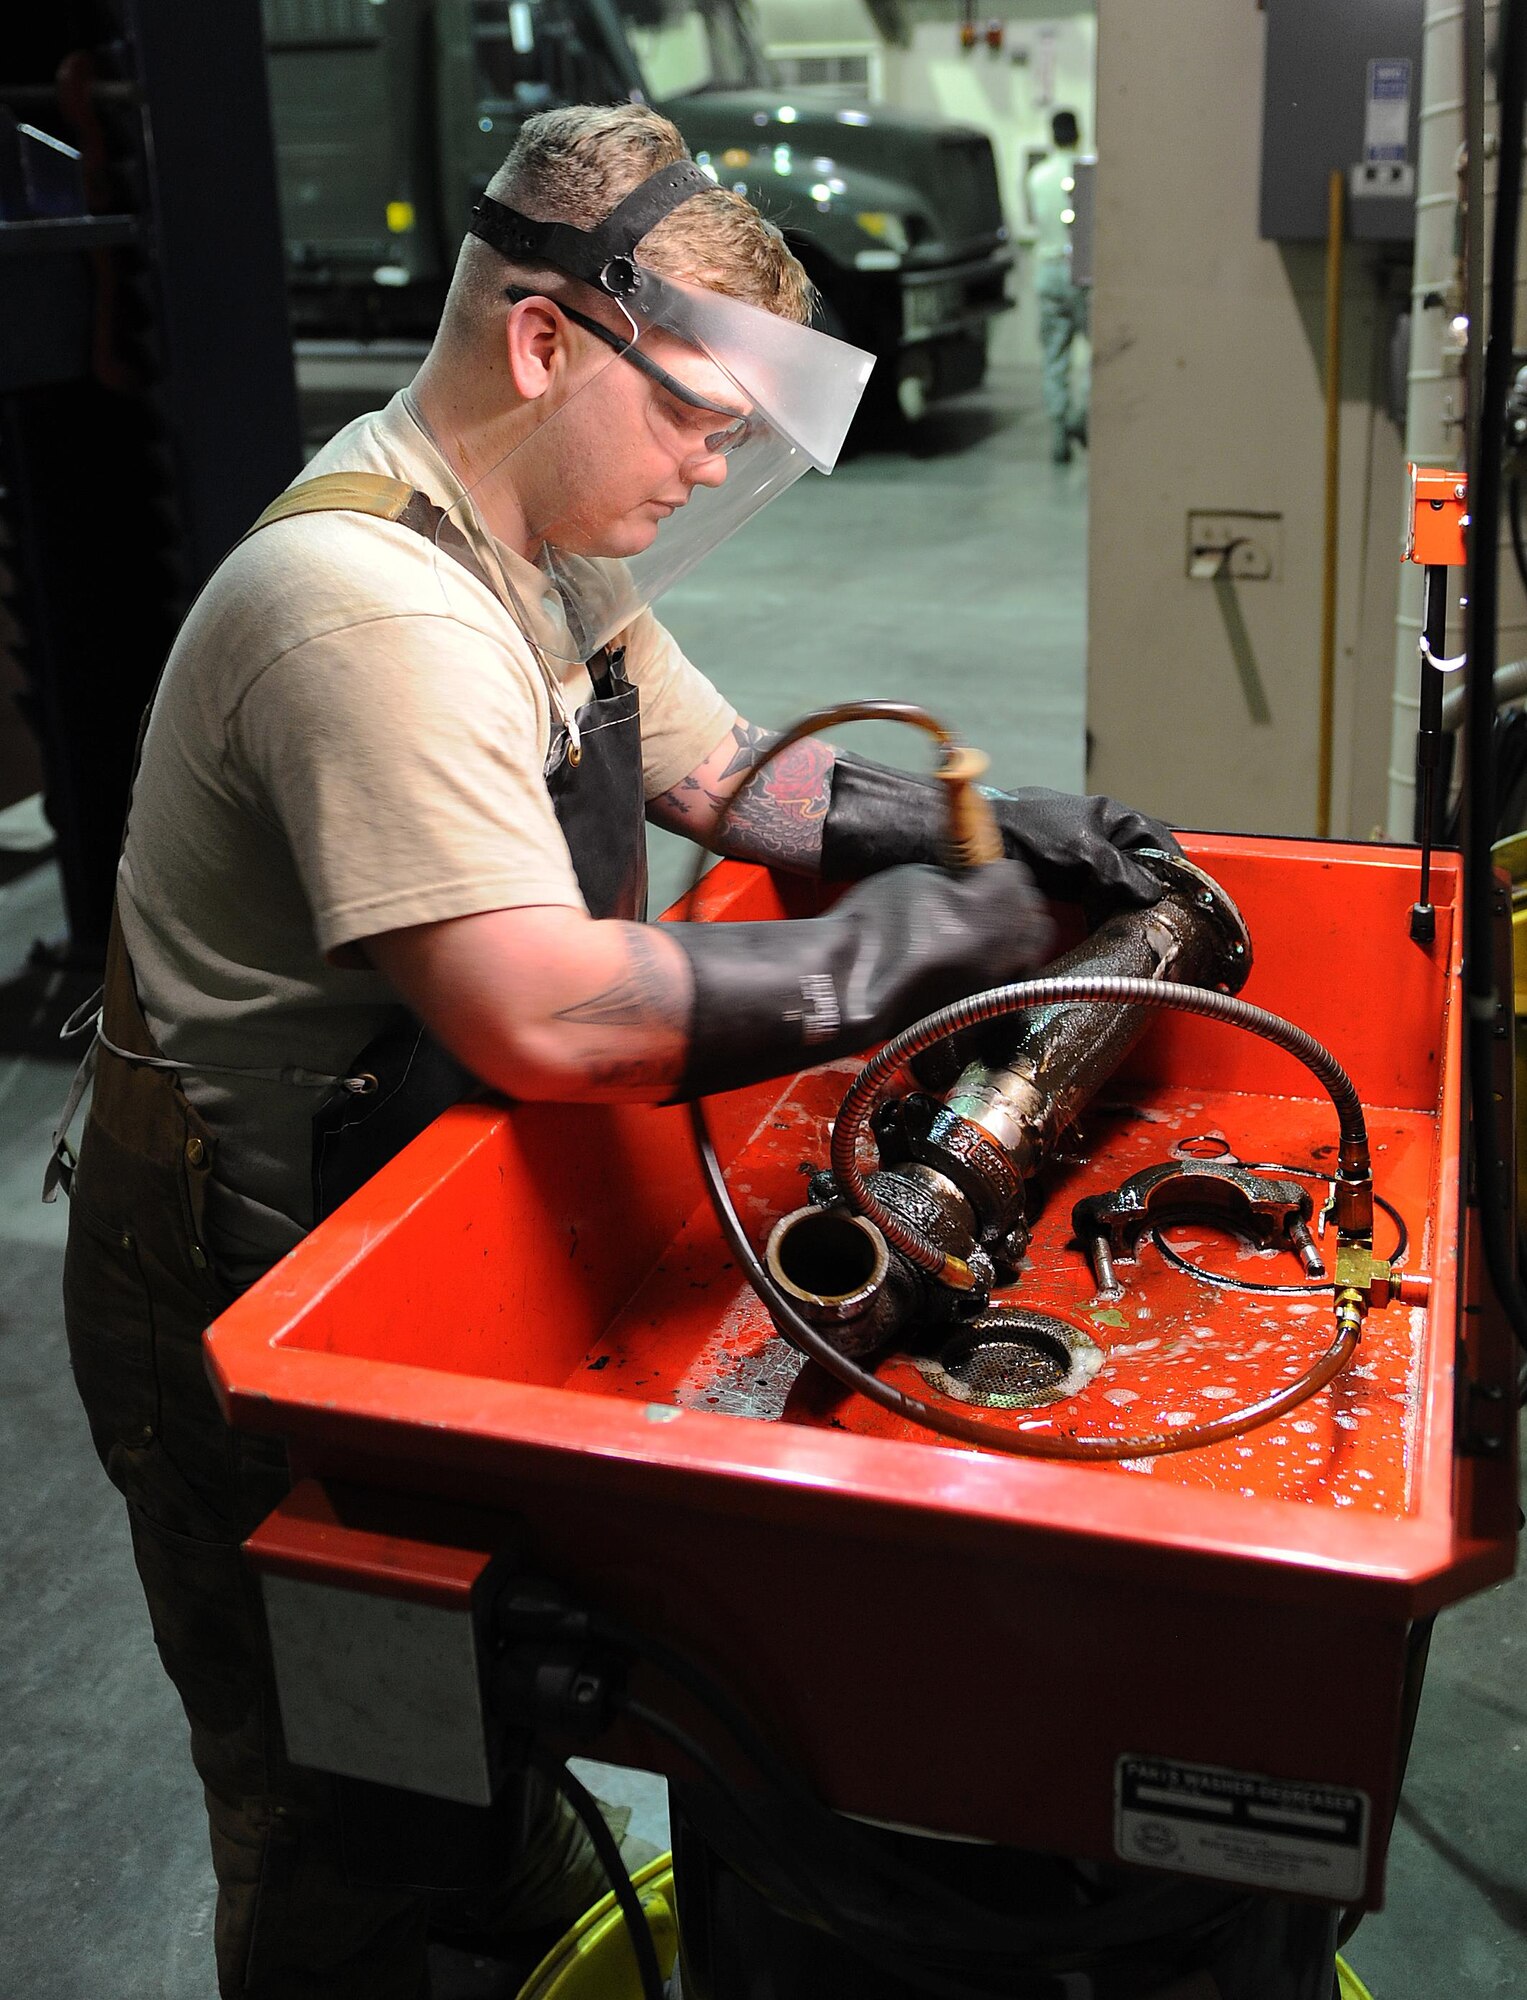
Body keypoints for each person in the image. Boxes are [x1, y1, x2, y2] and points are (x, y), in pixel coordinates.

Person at [57, 103, 1176, 1999]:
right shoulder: (364, 607)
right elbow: (549, 1011)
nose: (711, 459)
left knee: (490, 1730)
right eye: (693, 414)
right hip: (249, 1297)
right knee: (360, 1803)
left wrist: (980, 829)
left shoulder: (543, 549)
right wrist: (887, 955)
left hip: (405, 1220)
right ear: (543, 340)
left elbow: (724, 771)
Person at [1026, 108, 1090, 464]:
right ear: (1077, 134)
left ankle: (1059, 431)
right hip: (1080, 271)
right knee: (1094, 353)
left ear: (1052, 136)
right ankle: (1084, 420)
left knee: (1054, 355)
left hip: (1047, 270)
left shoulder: (1037, 176)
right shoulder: (1087, 173)